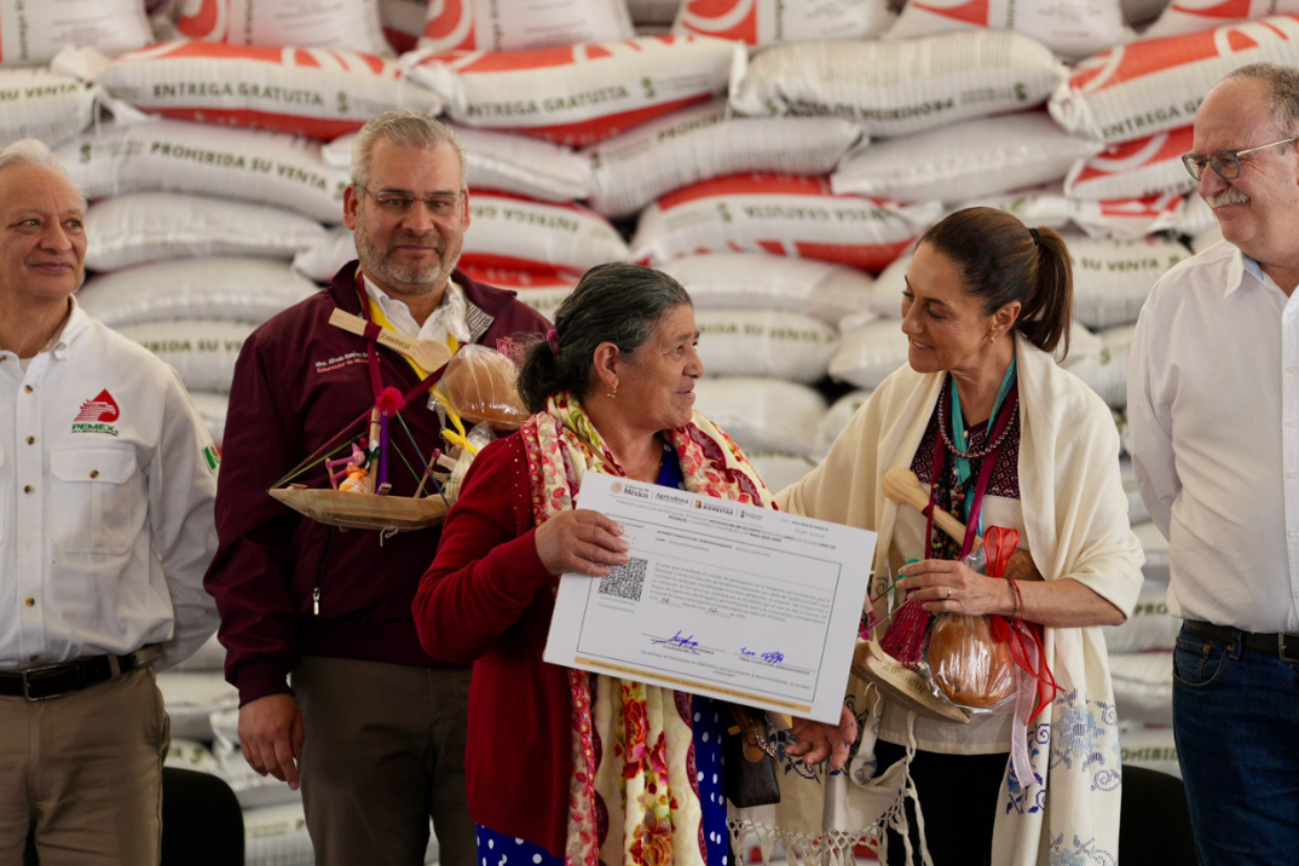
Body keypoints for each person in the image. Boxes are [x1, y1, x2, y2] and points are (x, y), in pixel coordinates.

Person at [411, 262, 857, 863]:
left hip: (690, 800)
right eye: (678, 349)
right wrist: (536, 554)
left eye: (694, 346)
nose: (696, 366)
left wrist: (808, 702)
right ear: (610, 363)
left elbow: (756, 617)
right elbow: (438, 623)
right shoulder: (517, 468)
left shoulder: (714, 470)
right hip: (549, 810)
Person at [204, 110, 550, 866]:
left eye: (438, 203)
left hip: (499, 670)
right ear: (353, 206)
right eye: (394, 201)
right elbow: (246, 531)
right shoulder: (287, 347)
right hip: (350, 676)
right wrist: (260, 677)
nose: (417, 224)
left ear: (467, 211)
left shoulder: (528, 339)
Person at [747, 208, 1144, 865]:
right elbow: (807, 511)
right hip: (898, 724)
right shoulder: (902, 397)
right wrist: (705, 498)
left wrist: (991, 594)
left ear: (1002, 317)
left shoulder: (1073, 420)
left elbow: (1110, 591)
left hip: (1011, 741)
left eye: (935, 310)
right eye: (907, 295)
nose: (906, 322)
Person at [0, 139, 219, 864]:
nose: (58, 242)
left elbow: (200, 546)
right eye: (29, 223)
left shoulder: (142, 382)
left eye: (73, 223)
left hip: (105, 724)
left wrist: (131, 665)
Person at [1128, 62, 1299, 866]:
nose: (1210, 182)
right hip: (1229, 683)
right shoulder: (1176, 303)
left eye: (1230, 157)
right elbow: (1162, 486)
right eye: (1199, 162)